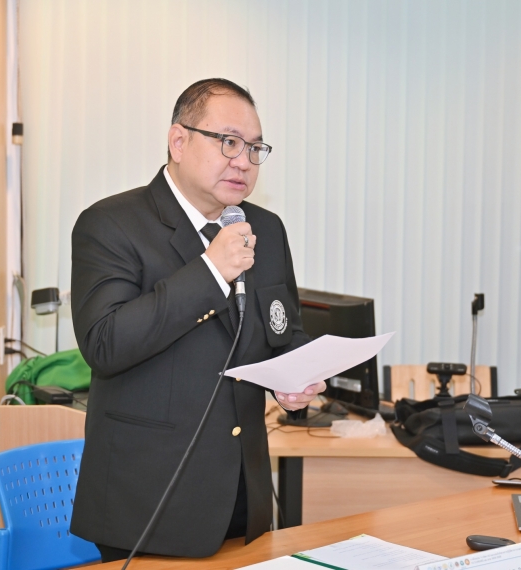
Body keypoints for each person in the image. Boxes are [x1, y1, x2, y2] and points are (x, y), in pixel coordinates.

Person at [69, 78, 326, 561]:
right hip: (147, 502)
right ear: (179, 141)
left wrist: (295, 379)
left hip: (242, 496)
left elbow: (281, 331)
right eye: (228, 141)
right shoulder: (111, 223)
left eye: (255, 148)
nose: (243, 161)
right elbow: (105, 344)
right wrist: (209, 271)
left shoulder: (265, 229)